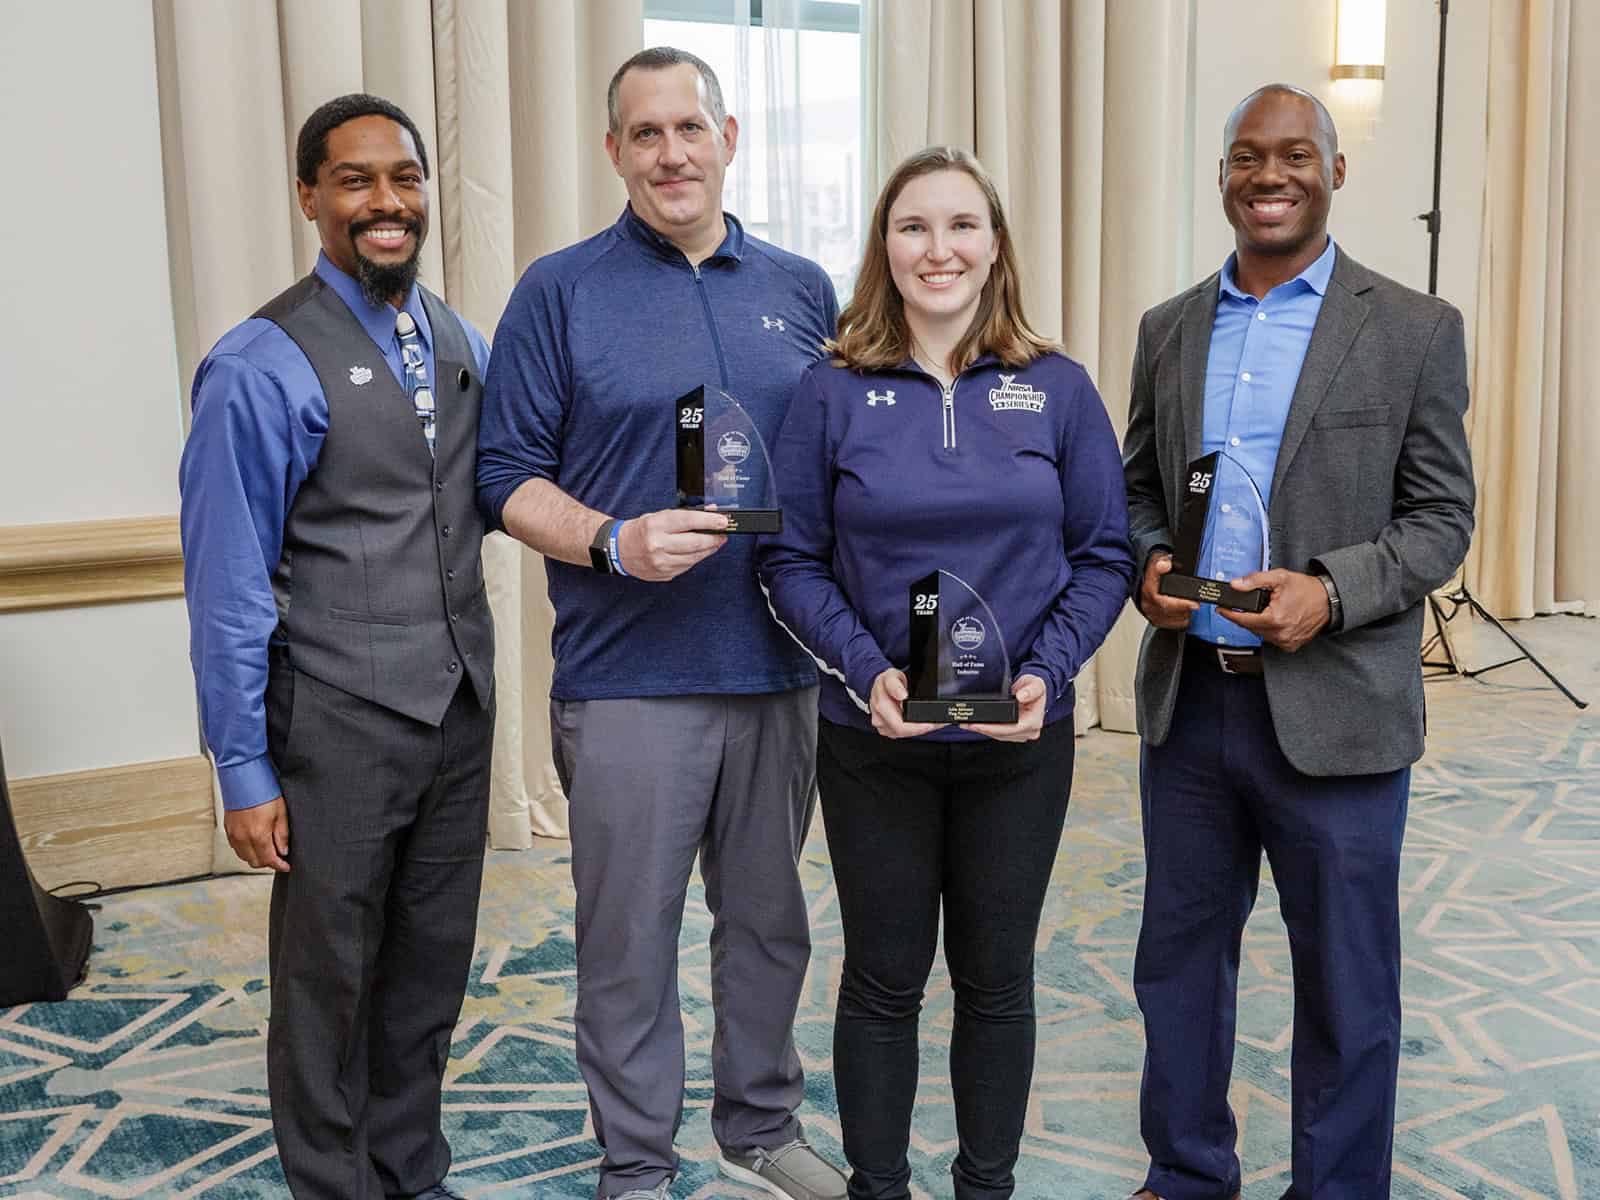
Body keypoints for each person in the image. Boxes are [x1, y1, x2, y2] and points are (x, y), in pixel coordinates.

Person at [475, 48, 846, 1200]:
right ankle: (635, 1162)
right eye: (645, 134)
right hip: (628, 678)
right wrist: (610, 541)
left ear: (729, 139)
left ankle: (762, 1126)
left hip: (779, 670)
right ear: (614, 152)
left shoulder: (799, 287)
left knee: (768, 928)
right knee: (628, 945)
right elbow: (501, 474)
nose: (671, 154)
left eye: (690, 128)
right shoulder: (559, 289)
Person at [757, 146, 1135, 1200]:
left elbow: (1103, 553)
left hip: (1017, 745)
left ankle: (985, 1188)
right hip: (872, 741)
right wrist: (868, 670)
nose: (939, 249)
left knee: (996, 980)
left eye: (961, 225)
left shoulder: (1057, 389)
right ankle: (878, 1189)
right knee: (882, 982)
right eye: (913, 227)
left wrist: (1049, 676)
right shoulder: (830, 391)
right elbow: (787, 558)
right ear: (884, 246)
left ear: (995, 244)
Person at [1121, 84, 1475, 1200]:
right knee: (1178, 971)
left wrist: (1332, 589)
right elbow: (1136, 489)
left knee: (1346, 985)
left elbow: (1440, 520)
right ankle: (1185, 1176)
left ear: (1333, 171)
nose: (1267, 176)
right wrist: (1144, 565)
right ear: (1221, 175)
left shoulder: (1414, 328)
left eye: (1292, 157)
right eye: (1244, 158)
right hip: (1191, 707)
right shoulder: (1168, 328)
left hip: (1339, 710)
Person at [179, 94, 494, 1200]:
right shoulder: (256, 364)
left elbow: (508, 483)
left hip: (455, 714)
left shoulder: (454, 335)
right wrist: (244, 767)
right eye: (354, 180)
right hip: (334, 726)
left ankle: (411, 1167)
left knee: (428, 971)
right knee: (328, 983)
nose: (385, 201)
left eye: (402, 177)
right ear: (309, 197)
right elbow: (226, 588)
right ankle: (332, 1181)